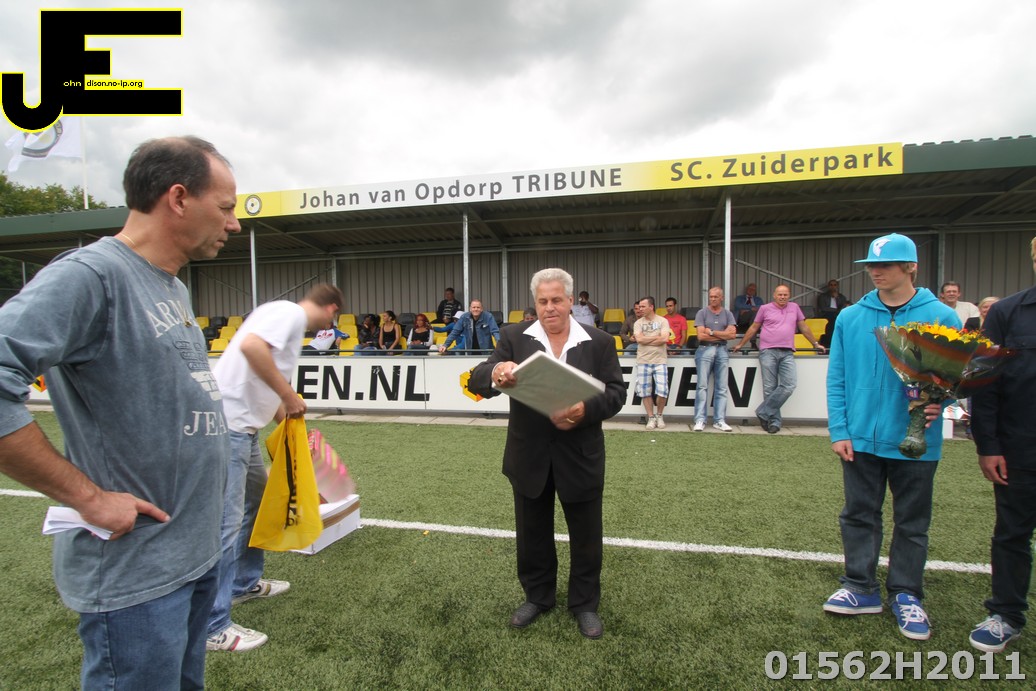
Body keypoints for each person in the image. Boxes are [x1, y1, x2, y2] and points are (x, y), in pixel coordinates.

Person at [0, 136, 239, 688]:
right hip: (137, 573)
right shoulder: (91, 276)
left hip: (192, 556)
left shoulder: (172, 287)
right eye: (225, 208)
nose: (233, 224)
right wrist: (89, 498)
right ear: (178, 198)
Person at [467, 268, 624, 639]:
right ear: (535, 303)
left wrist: (585, 409)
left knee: (586, 535)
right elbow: (477, 378)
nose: (549, 307)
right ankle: (537, 597)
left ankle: (584, 604)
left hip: (580, 455)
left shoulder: (600, 342)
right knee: (532, 534)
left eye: (556, 300)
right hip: (529, 455)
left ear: (570, 301)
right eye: (542, 301)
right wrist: (497, 371)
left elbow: (617, 394)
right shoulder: (513, 337)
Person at [823, 232, 960, 642]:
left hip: (916, 442)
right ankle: (859, 586)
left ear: (910, 267)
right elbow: (837, 378)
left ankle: (906, 593)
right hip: (860, 438)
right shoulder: (851, 316)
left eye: (884, 265)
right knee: (858, 515)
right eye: (871, 265)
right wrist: (839, 429)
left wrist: (943, 400)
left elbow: (954, 378)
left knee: (912, 522)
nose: (875, 272)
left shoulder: (942, 317)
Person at [207, 283, 345, 652]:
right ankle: (211, 625)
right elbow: (253, 349)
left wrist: (291, 425)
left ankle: (243, 584)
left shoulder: (282, 315)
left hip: (244, 430)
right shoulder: (289, 314)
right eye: (334, 318)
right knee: (227, 522)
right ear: (331, 309)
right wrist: (288, 395)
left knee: (255, 504)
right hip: (230, 429)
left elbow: (263, 380)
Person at [968, 236, 1036, 654]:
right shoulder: (1008, 312)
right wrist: (987, 445)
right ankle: (1006, 614)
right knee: (1011, 534)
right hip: (1020, 449)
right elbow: (985, 384)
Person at [732, 285, 824, 433]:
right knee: (770, 388)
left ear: (789, 296)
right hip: (768, 351)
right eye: (780, 294)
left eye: (785, 294)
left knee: (789, 385)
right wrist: (741, 344)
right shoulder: (764, 308)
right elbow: (754, 327)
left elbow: (803, 327)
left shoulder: (794, 308)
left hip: (787, 352)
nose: (782, 297)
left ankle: (763, 412)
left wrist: (815, 343)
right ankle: (774, 422)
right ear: (774, 295)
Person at [693, 288, 737, 432]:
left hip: (722, 350)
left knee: (722, 387)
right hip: (705, 349)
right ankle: (700, 419)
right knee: (702, 386)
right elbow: (701, 336)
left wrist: (711, 331)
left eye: (716, 297)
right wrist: (722, 334)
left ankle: (719, 420)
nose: (712, 299)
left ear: (721, 298)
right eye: (711, 296)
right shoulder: (702, 313)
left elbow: (732, 335)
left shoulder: (728, 314)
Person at [631, 296, 670, 430]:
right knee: (645, 391)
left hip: (660, 361)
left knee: (663, 391)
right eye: (639, 307)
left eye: (643, 306)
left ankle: (659, 415)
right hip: (643, 361)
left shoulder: (663, 321)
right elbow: (639, 340)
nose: (640, 309)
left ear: (651, 307)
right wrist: (656, 337)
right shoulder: (638, 323)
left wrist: (646, 339)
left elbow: (664, 338)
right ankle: (651, 417)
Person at [816, 279, 850, 348]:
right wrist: (836, 310)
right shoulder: (822, 296)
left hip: (837, 314)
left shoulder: (841, 297)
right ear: (828, 286)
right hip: (826, 315)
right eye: (831, 285)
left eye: (835, 285)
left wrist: (836, 298)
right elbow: (823, 308)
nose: (833, 287)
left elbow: (843, 307)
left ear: (837, 286)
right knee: (833, 318)